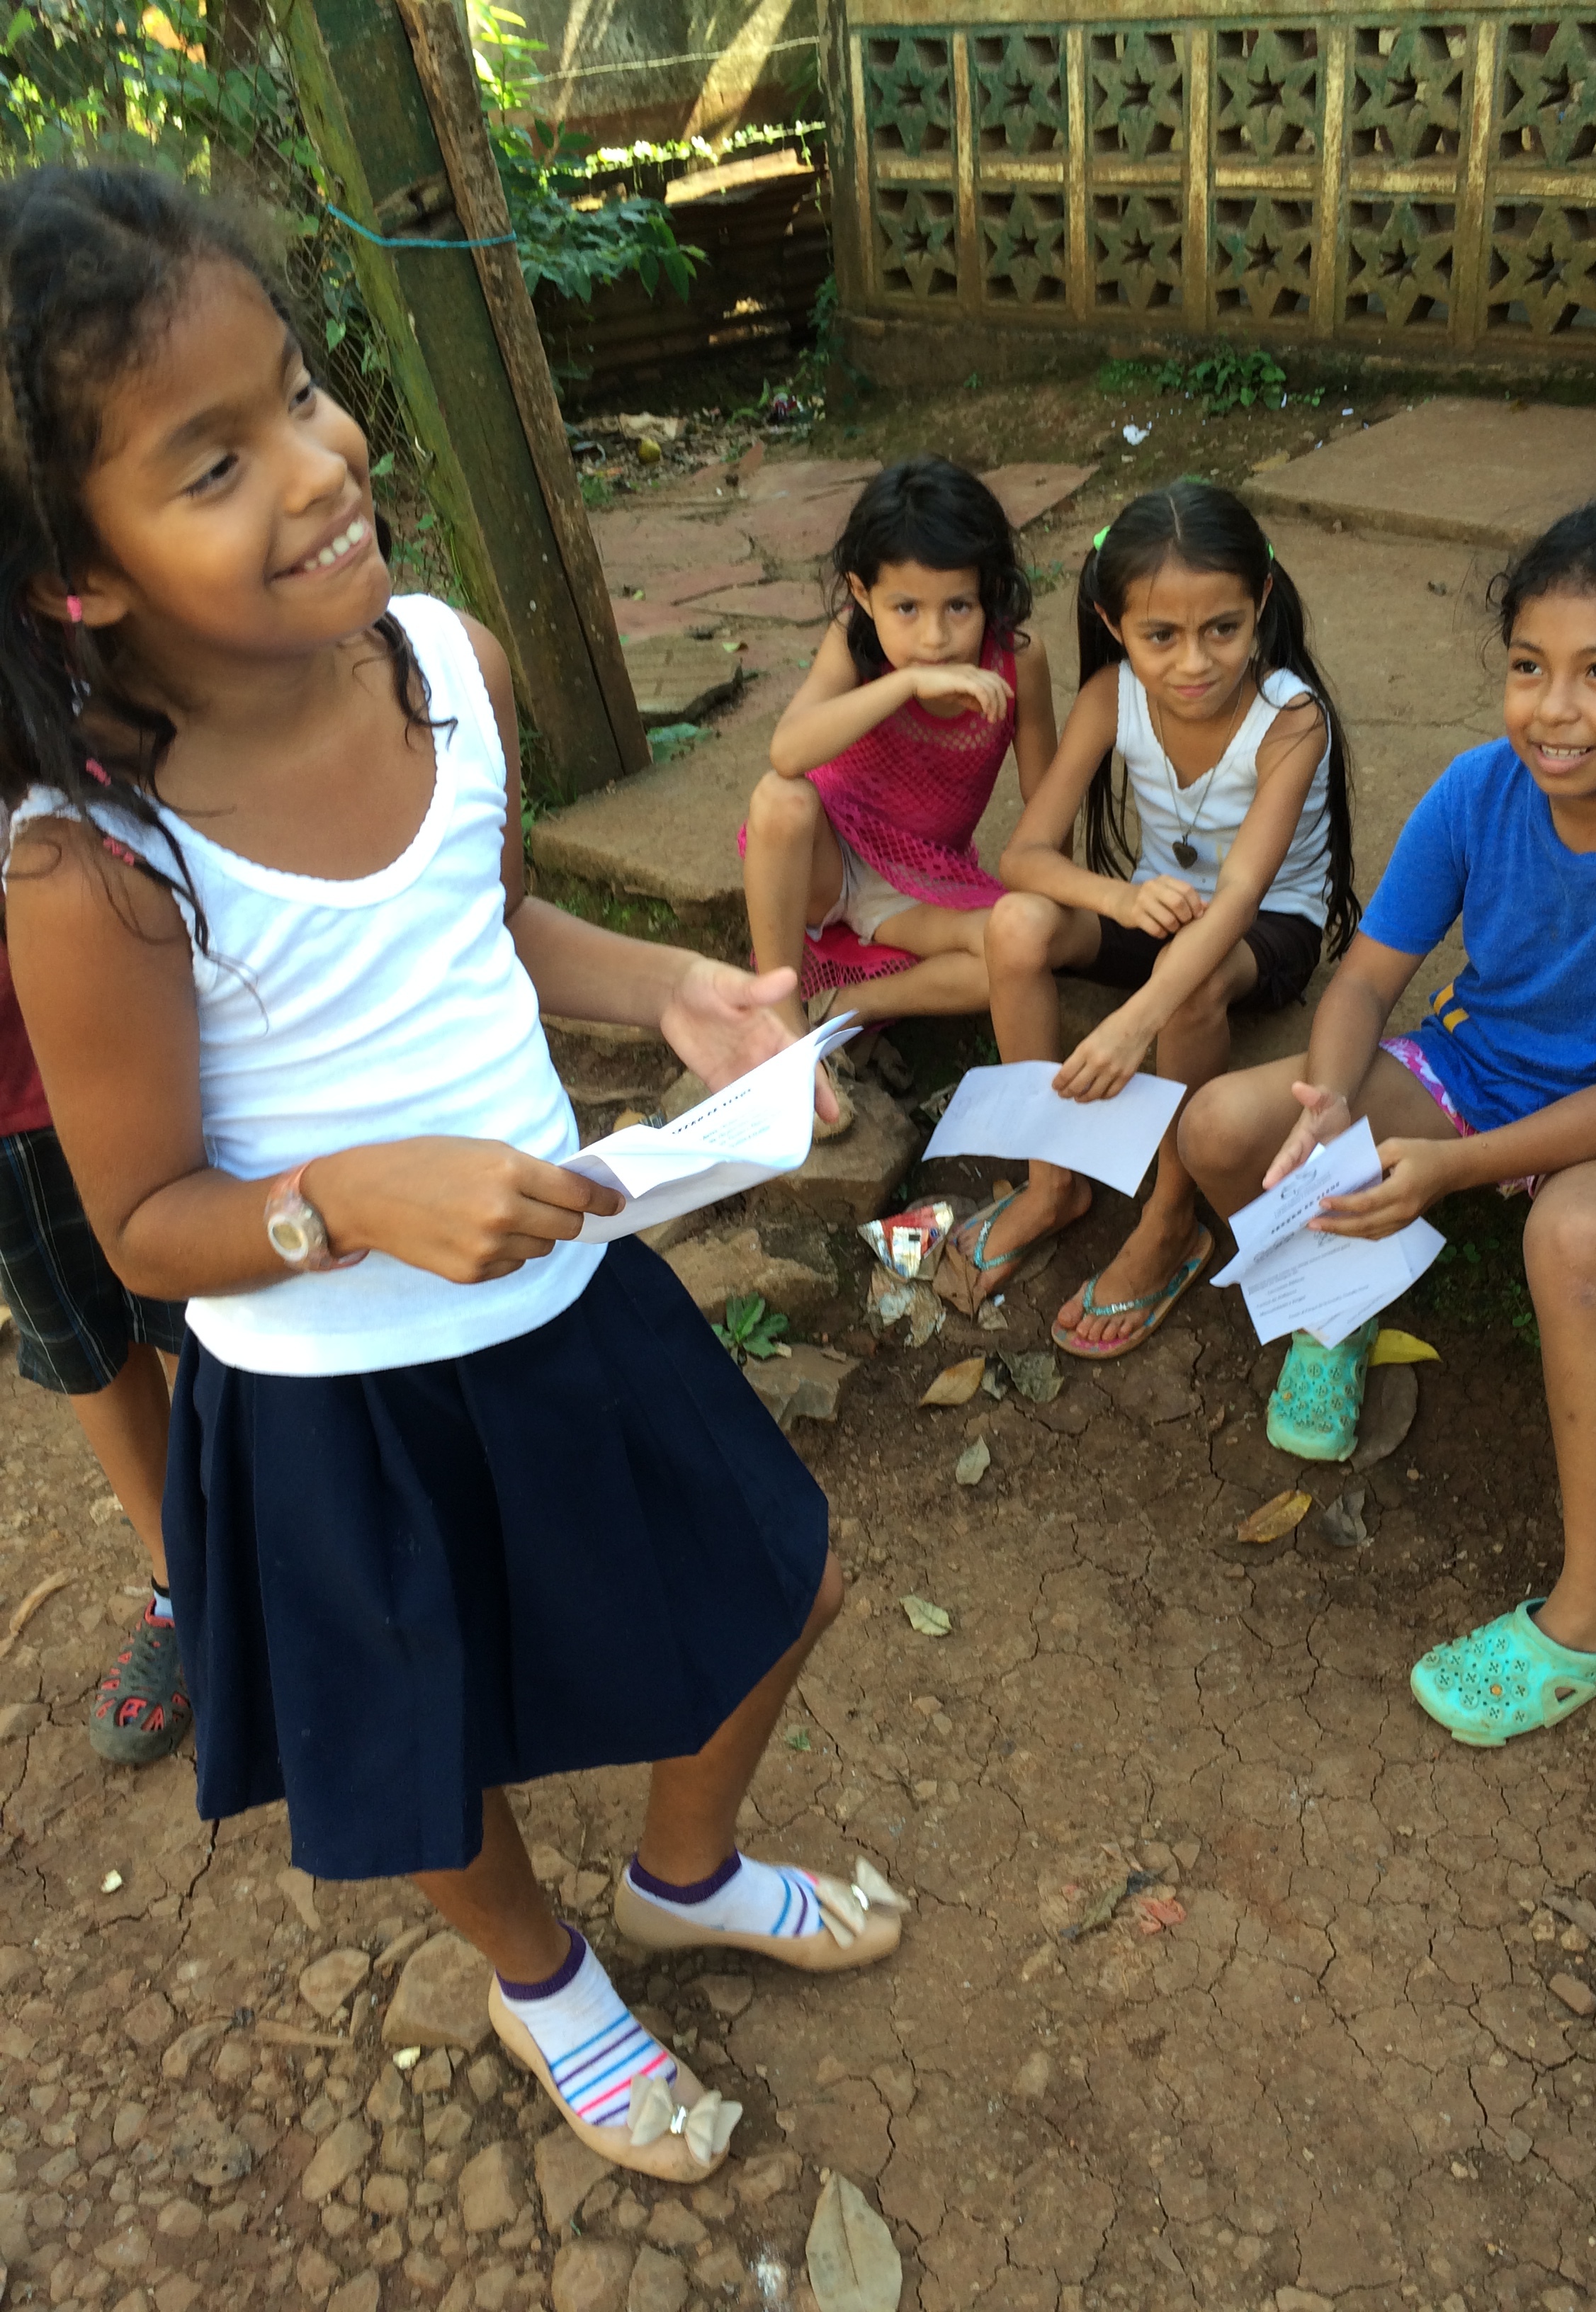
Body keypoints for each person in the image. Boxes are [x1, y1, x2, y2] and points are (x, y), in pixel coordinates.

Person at [0, 165, 903, 2184]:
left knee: (790, 1581)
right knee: (420, 1754)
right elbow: (143, 1224)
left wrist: (670, 983)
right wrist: (350, 1202)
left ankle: (686, 1868)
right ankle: (550, 1981)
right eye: (212, 459)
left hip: (571, 1301)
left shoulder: (445, 661)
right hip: (331, 1401)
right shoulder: (92, 864)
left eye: (303, 391)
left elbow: (488, 929)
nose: (319, 464)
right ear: (78, 572)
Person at [1179, 499, 1596, 1747]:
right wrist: (1327, 1098)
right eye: (1527, 667)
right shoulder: (1483, 785)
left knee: (1577, 1239)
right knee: (1225, 1123)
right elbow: (1370, 976)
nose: (1551, 708)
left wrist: (1449, 1166)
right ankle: (1340, 1306)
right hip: (1476, 1067)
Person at [950, 483, 1357, 1356]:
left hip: (1264, 934)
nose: (1194, 662)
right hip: (1155, 908)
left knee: (1193, 983)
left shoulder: (1290, 722)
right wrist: (1118, 898)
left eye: (1224, 628)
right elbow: (1025, 857)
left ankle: (1174, 1215)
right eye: (1159, 636)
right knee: (1017, 925)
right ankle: (1050, 1177)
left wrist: (1136, 1022)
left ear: (1263, 604)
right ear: (1112, 620)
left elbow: (1244, 894)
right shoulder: (1110, 696)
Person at [741, 455, 1058, 1115]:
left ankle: (851, 1007)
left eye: (959, 606)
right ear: (863, 594)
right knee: (781, 798)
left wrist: (1062, 896)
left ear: (991, 591)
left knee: (1015, 948)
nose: (935, 636)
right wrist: (905, 684)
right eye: (906, 608)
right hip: (829, 861)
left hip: (917, 887)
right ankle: (781, 1025)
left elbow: (1045, 802)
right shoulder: (853, 642)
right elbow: (787, 750)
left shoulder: (1019, 661)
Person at [0, 922, 187, 1764]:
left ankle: (280, 1563)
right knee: (82, 1341)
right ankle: (183, 1583)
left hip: (136, 1009)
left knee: (213, 1316)